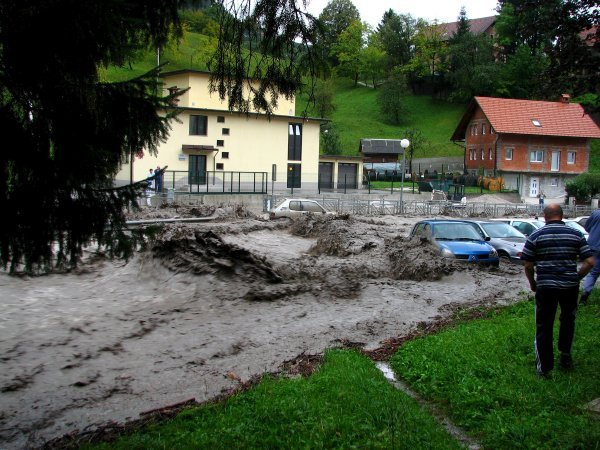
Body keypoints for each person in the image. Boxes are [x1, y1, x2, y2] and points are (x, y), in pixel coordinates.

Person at [521, 204, 594, 378]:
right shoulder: (576, 235)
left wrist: (533, 283)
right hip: (570, 286)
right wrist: (576, 277)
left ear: (545, 216)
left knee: (544, 326)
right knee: (568, 320)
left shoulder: (535, 236)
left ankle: (545, 368)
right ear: (561, 216)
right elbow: (590, 261)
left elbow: (528, 265)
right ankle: (566, 356)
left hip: (546, 287)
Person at [580, 208, 600, 305]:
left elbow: (587, 227)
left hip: (594, 246)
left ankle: (585, 294)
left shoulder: (595, 214)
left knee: (592, 273)